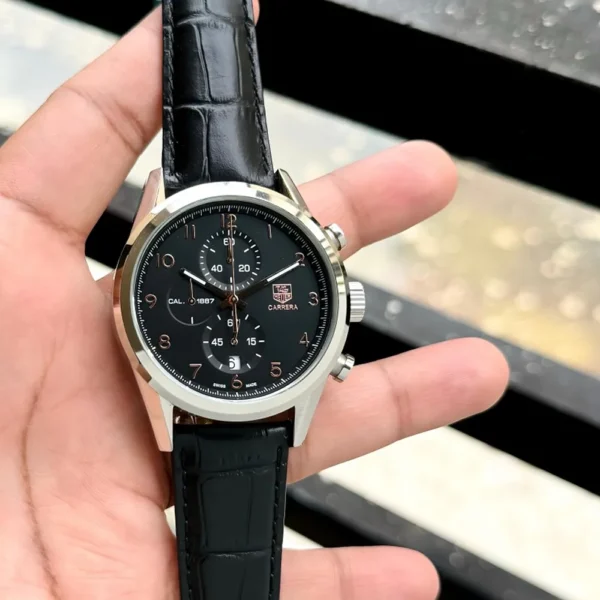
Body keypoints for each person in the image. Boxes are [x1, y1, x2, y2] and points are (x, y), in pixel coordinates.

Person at [0, 4, 509, 599]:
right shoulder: (197, 272)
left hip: (243, 391)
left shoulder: (275, 267)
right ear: (128, 302)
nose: (231, 299)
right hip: (196, 395)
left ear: (340, 300)